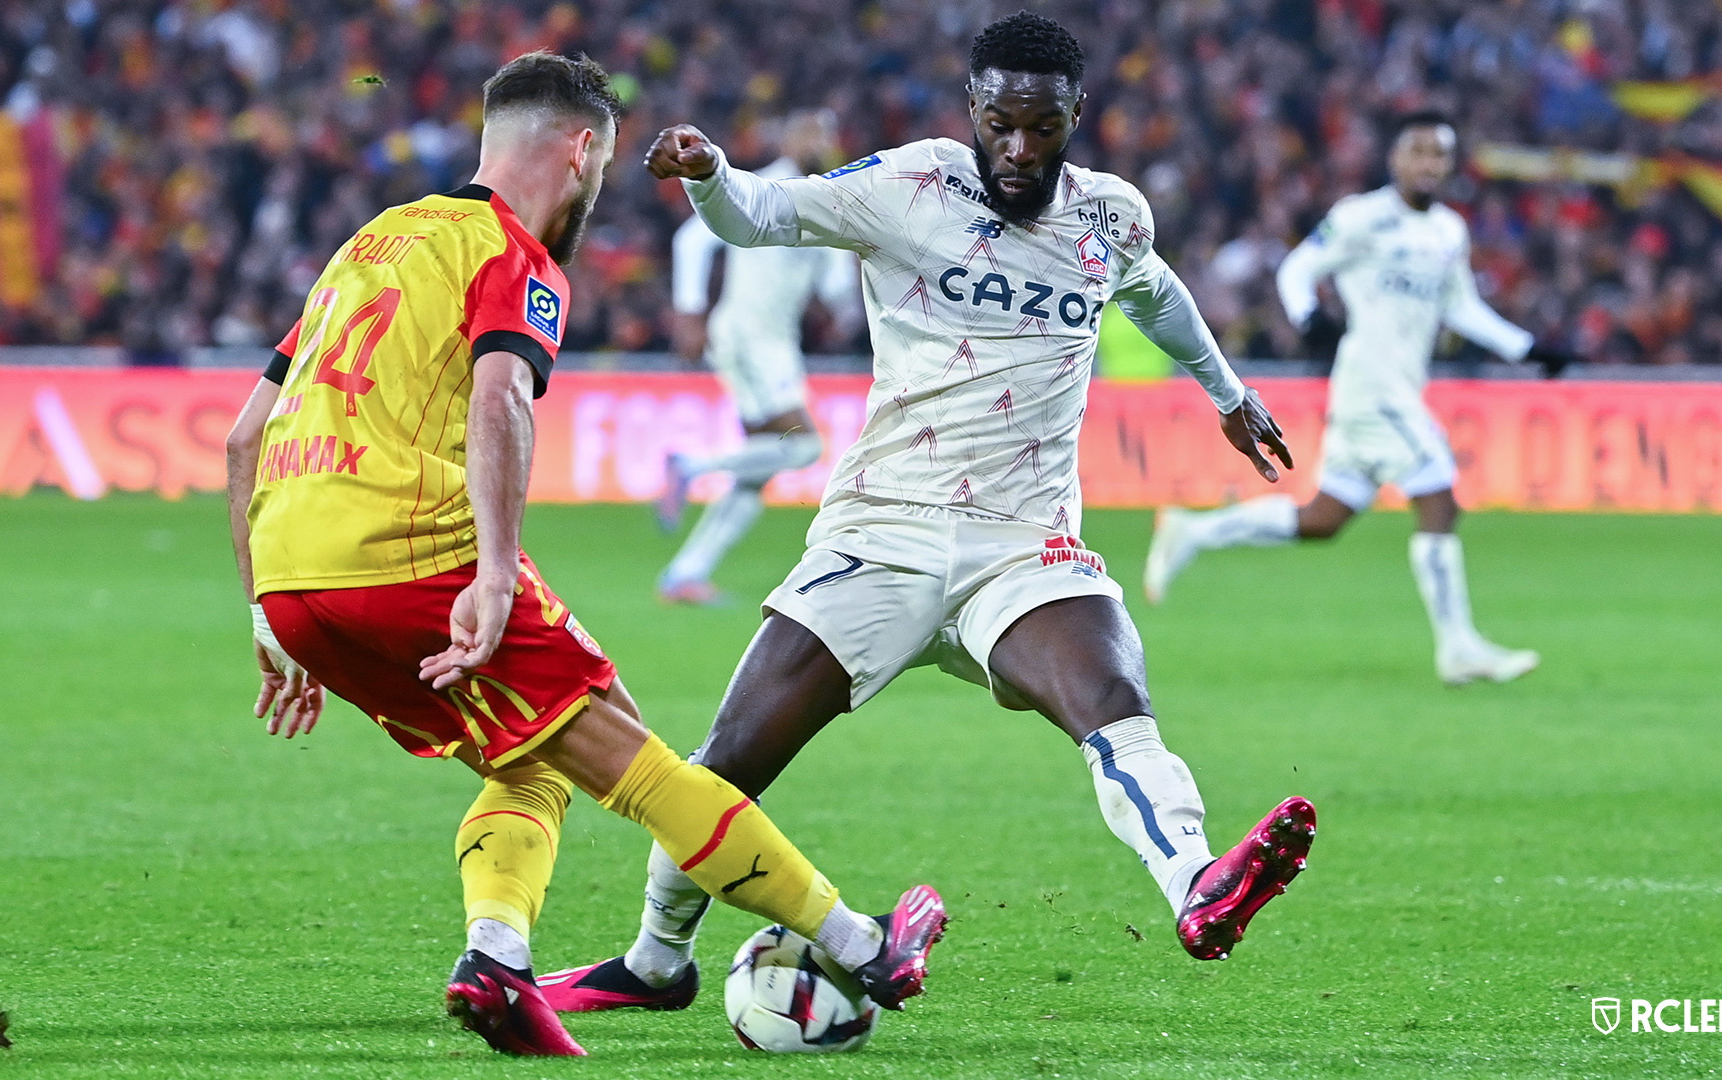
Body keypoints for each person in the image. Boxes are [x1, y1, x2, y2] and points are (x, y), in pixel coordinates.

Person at [538, 13, 1316, 1014]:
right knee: (726, 768)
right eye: (1001, 124)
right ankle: (655, 962)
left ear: (1078, 115)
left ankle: (1196, 887)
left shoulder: (1110, 218)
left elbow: (1155, 292)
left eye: (1043, 127)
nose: (1019, 149)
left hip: (1026, 545)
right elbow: (762, 215)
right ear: (974, 111)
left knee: (1116, 706)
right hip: (882, 532)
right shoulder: (911, 185)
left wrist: (1227, 394)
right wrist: (708, 173)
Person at [221, 51, 946, 1058]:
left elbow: (244, 437)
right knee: (629, 752)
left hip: (296, 574)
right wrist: (491, 574)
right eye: (600, 165)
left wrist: (267, 611)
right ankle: (865, 949)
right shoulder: (510, 256)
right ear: (583, 147)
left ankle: (497, 960)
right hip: (411, 557)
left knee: (533, 759)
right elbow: (499, 399)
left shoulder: (369, 242)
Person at [1144, 111, 1576, 685]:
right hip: (1374, 388)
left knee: (1324, 518)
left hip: (1392, 389)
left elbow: (1461, 307)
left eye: (1439, 154)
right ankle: (1459, 648)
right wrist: (1308, 318)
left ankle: (1193, 531)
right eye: (1417, 151)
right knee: (1440, 498)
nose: (1427, 164)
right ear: (1395, 158)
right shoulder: (1360, 218)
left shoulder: (1448, 230)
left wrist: (1528, 350)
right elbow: (1298, 268)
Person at [655, 109, 863, 604]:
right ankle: (689, 466)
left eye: (827, 133)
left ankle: (684, 574)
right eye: (811, 131)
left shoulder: (828, 199)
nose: (821, 140)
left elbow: (838, 291)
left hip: (778, 342)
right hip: (748, 337)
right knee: (805, 445)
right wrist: (689, 310)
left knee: (759, 469)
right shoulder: (760, 187)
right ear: (790, 137)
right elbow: (691, 239)